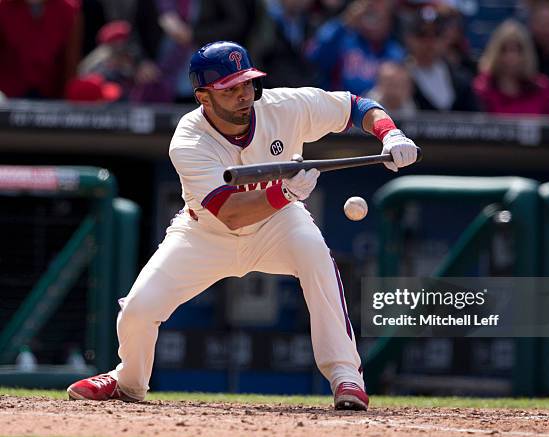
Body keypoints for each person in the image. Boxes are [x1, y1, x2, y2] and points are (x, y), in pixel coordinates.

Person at [66, 41, 419, 410]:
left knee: (317, 258)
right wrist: (284, 191)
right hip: (205, 234)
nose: (243, 95)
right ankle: (129, 382)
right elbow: (230, 213)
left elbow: (356, 107)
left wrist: (389, 133)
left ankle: (347, 377)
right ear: (204, 97)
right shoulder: (189, 139)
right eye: (230, 89)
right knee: (138, 310)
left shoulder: (283, 107)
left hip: (278, 223)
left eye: (247, 84)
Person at [306, 0, 405, 95]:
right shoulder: (343, 40)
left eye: (380, 17)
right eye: (370, 15)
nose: (374, 23)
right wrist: (344, 22)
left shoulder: (394, 52)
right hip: (340, 106)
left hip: (375, 108)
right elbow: (315, 56)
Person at [473, 20, 549, 115]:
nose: (511, 56)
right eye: (504, 50)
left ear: (527, 54)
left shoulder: (542, 88)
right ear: (495, 53)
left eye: (517, 50)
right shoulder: (482, 88)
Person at [402, 6, 478, 112]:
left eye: (436, 34)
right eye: (422, 34)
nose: (429, 42)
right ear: (409, 39)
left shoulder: (461, 79)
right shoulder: (399, 78)